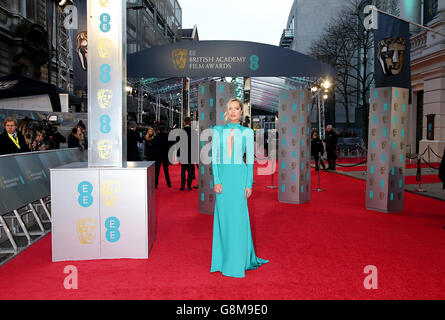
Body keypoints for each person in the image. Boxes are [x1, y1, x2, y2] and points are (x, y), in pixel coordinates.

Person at [211, 98, 268, 278]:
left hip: (239, 177)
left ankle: (238, 261)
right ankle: (222, 260)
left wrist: (248, 183)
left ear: (241, 112)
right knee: (223, 219)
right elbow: (214, 158)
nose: (234, 111)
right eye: (231, 108)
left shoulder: (247, 132)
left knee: (238, 220)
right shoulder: (217, 130)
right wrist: (217, 180)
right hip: (223, 178)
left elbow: (250, 160)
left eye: (237, 108)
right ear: (226, 111)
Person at [152, 123, 172, 188]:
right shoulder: (167, 136)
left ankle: (155, 184)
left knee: (157, 171)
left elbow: (153, 145)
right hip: (165, 155)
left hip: (157, 155)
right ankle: (168, 183)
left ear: (158, 130)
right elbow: (170, 145)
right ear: (164, 129)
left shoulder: (156, 136)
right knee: (166, 170)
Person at [180, 117, 195, 191]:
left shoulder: (181, 131)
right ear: (190, 122)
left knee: (183, 171)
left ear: (184, 122)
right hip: (191, 153)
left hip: (183, 153)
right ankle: (189, 186)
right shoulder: (193, 131)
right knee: (190, 170)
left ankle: (182, 186)